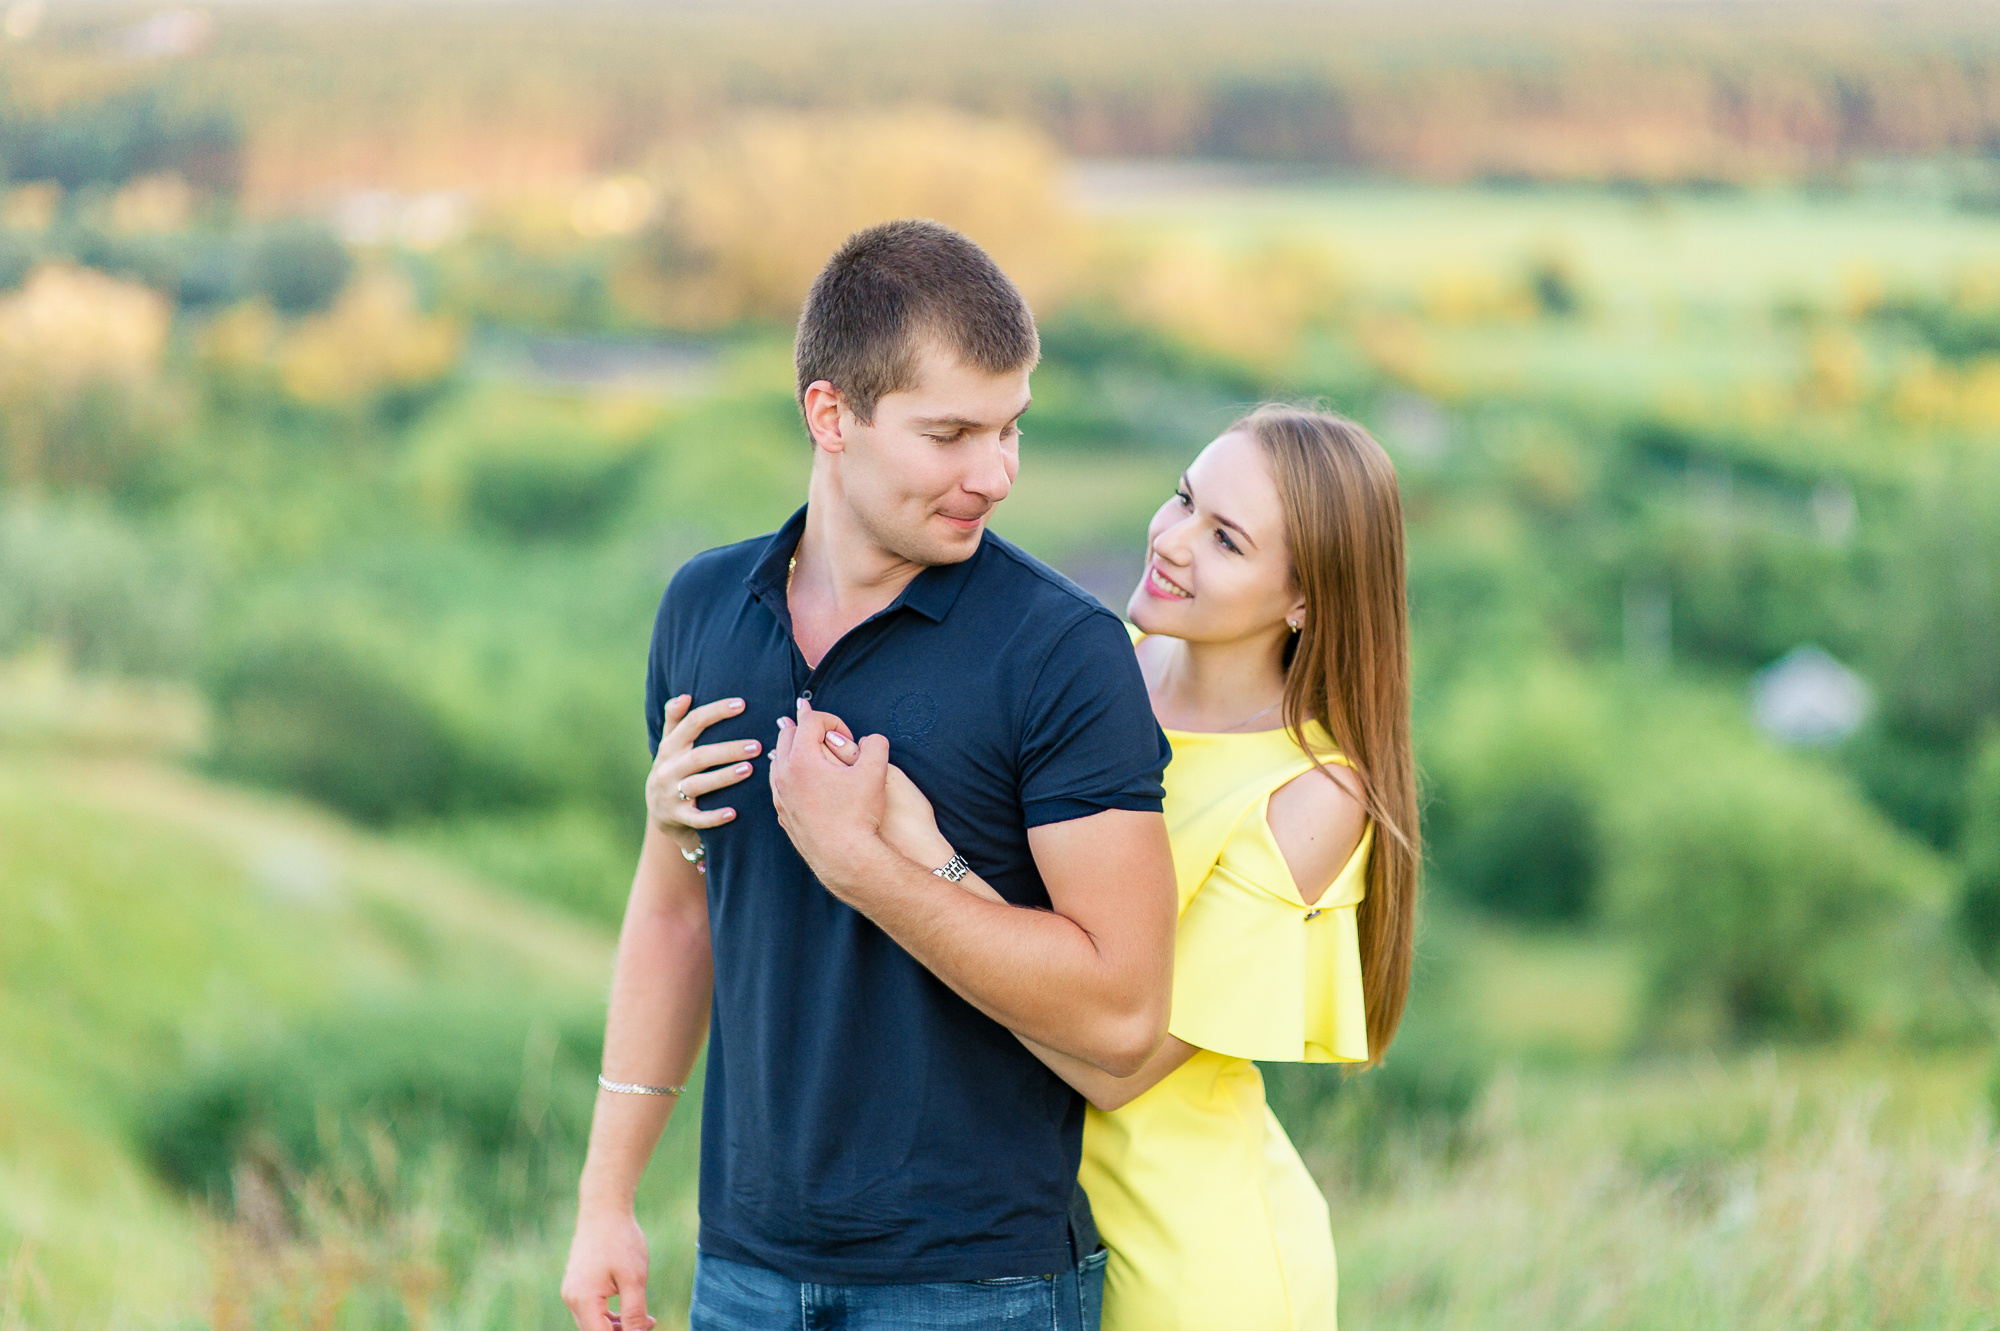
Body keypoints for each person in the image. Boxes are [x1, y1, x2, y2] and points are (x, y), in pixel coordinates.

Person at [559, 218, 1179, 1331]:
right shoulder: (703, 607)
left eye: (1010, 428)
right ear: (830, 413)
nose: (993, 474)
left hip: (979, 1285)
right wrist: (605, 1199)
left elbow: (1123, 1011)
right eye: (950, 434)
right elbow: (674, 914)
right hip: (741, 1274)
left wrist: (866, 863)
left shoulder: (1060, 653)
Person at [806, 405, 1422, 1329]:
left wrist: (923, 859)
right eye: (1182, 498)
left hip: (1192, 1263)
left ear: (1305, 599)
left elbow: (1118, 1059)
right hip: (1022, 1231)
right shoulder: (1101, 671)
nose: (1172, 541)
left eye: (1226, 539)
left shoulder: (1313, 793)